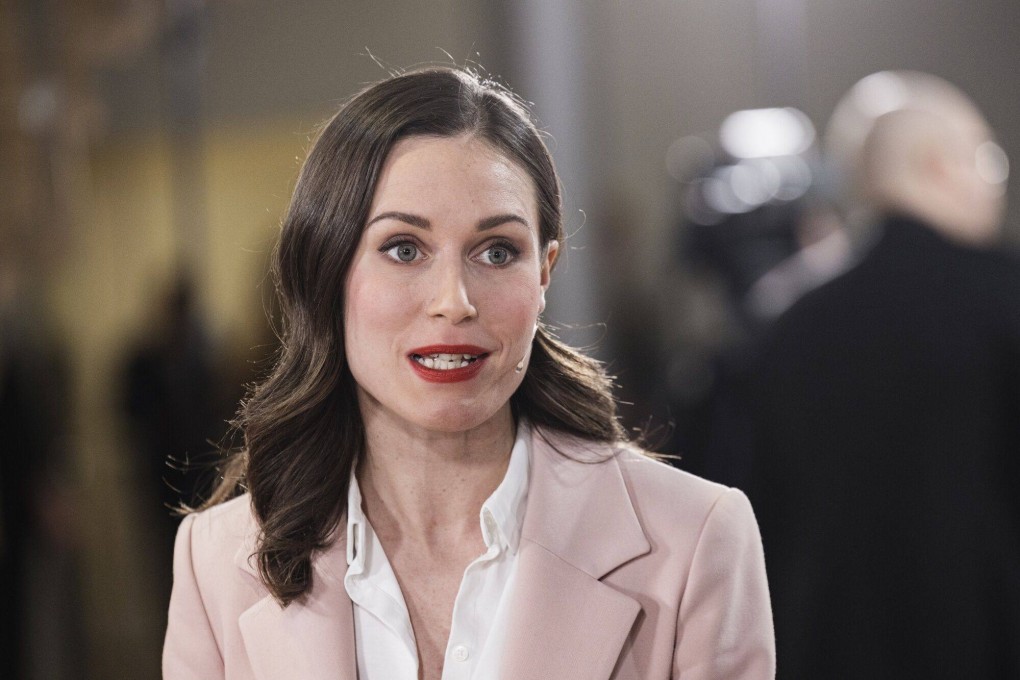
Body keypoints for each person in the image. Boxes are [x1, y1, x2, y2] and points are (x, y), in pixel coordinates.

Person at [162, 67, 775, 680]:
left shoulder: (694, 539)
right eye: (404, 248)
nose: (454, 300)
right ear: (328, 270)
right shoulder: (217, 562)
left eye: (498, 251)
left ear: (544, 273)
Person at [745, 71, 1020, 678]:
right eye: (987, 160)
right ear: (935, 165)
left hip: (824, 650)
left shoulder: (783, 324)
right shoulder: (1006, 303)